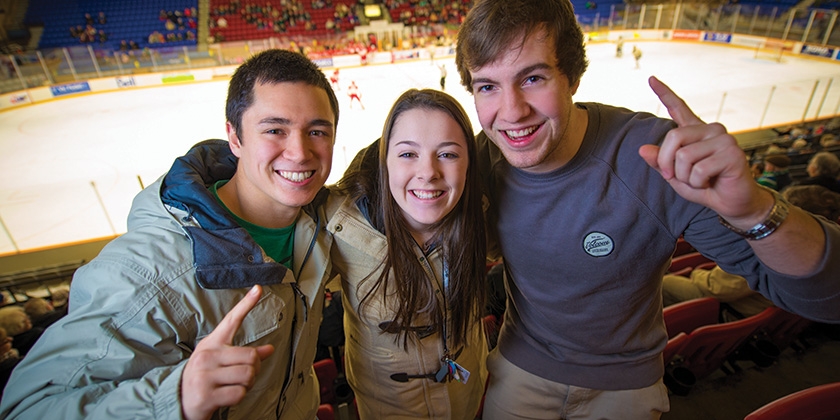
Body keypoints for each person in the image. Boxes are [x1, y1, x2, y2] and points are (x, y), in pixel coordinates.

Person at [454, 0, 840, 418]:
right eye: (487, 86)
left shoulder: (657, 158)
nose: (511, 112)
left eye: (532, 77)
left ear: (572, 76)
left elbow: (826, 301)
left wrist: (754, 212)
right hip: (519, 370)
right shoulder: (480, 158)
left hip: (625, 388)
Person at [0, 49, 339, 420]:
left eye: (317, 131)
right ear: (235, 138)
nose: (300, 151)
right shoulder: (149, 271)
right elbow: (29, 407)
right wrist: (174, 397)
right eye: (275, 130)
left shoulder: (323, 223)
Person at [326, 89, 488, 419]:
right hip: (386, 410)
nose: (428, 172)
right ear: (385, 161)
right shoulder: (338, 222)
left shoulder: (484, 212)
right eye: (407, 154)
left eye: (448, 154)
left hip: (468, 401)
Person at [663, 183, 840, 320]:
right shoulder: (821, 248)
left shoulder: (773, 251)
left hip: (734, 306)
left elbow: (718, 288)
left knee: (665, 284)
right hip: (758, 304)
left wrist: (697, 274)